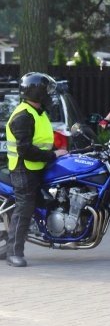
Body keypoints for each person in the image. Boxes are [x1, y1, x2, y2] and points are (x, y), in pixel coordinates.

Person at [2, 73, 68, 267]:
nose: (50, 95)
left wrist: (57, 152)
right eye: (47, 91)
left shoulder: (39, 113)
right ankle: (13, 253)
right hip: (23, 168)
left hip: (39, 166)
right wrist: (53, 155)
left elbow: (42, 144)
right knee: (25, 207)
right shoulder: (23, 116)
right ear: (38, 92)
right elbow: (25, 150)